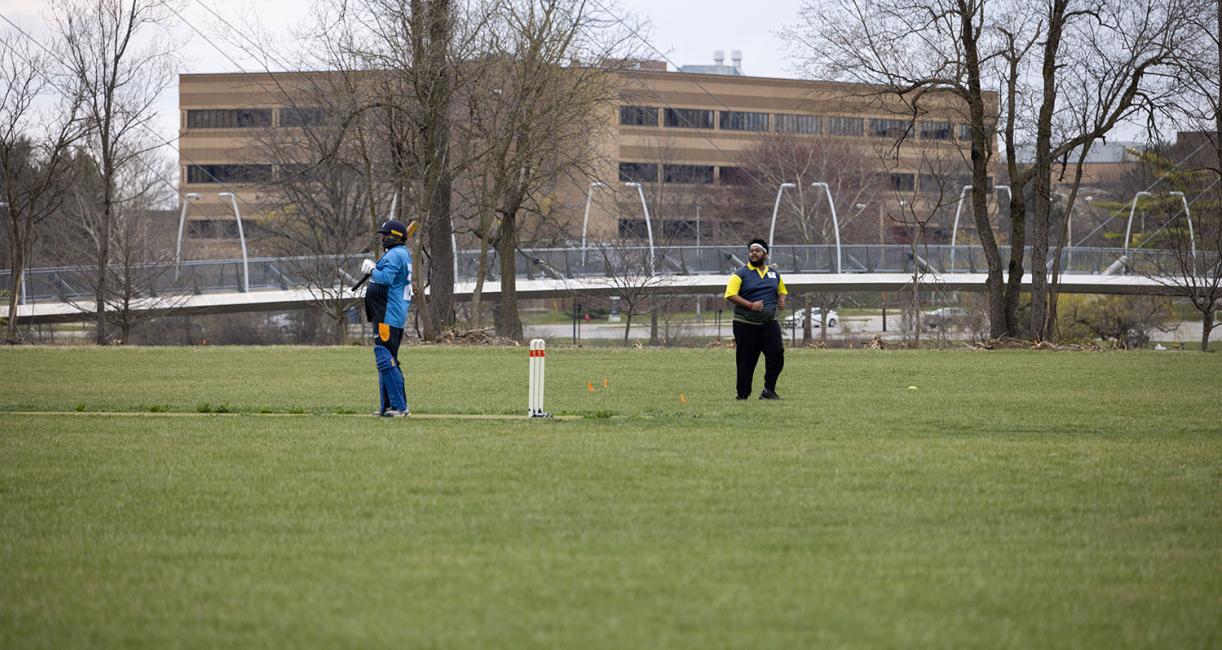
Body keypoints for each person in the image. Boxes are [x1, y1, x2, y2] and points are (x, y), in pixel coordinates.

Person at [724, 238, 787, 400]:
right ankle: (743, 395)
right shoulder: (740, 274)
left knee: (777, 355)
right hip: (745, 324)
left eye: (757, 250)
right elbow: (730, 294)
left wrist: (781, 299)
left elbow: (782, 290)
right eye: (751, 250)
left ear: (765, 254)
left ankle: (768, 391)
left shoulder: (774, 274)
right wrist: (751, 305)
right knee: (746, 361)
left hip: (768, 324)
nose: (753, 253)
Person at [361, 219, 413, 416]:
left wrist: (372, 269)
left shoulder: (396, 254)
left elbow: (385, 279)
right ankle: (388, 406)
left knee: (386, 359)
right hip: (387, 314)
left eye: (385, 235)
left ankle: (400, 407)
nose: (382, 238)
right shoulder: (400, 253)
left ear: (393, 237)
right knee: (385, 359)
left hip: (388, 314)